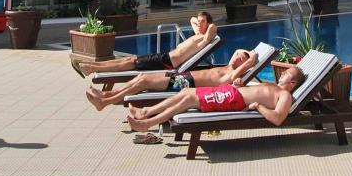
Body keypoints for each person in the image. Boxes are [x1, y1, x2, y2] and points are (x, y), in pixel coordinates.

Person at [126, 65, 305, 132]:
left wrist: (258, 106)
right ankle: (146, 111)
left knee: (188, 101)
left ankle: (147, 124)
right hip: (230, 92)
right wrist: (240, 84)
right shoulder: (272, 85)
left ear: (293, 82)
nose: (283, 72)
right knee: (185, 92)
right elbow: (253, 92)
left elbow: (278, 118)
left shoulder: (285, 95)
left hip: (232, 101)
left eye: (287, 73)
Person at [85, 48, 258, 111]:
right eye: (236, 55)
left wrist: (251, 58)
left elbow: (248, 63)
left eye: (240, 59)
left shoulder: (231, 75)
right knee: (142, 76)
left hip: (185, 83)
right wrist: (245, 53)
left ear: (244, 64)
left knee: (144, 82)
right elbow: (238, 50)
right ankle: (107, 95)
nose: (236, 57)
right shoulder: (226, 67)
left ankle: (105, 102)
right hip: (184, 76)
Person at [72, 12, 217, 77]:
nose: (199, 23)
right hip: (165, 57)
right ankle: (90, 66)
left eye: (202, 21)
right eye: (199, 21)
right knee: (130, 59)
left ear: (208, 23)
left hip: (168, 62)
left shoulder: (204, 39)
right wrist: (200, 21)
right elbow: (192, 19)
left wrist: (208, 24)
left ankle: (89, 68)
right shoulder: (198, 33)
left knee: (130, 63)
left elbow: (213, 27)